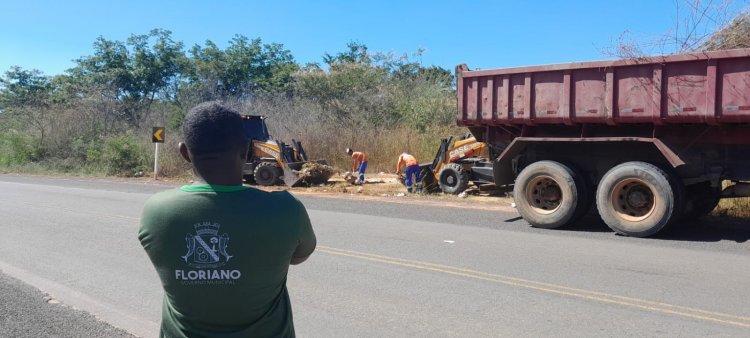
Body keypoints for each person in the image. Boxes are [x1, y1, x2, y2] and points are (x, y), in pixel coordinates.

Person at [138, 102, 316, 338]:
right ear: (246, 150)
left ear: (184, 153)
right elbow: (298, 257)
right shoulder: (286, 210)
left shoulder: (156, 212)